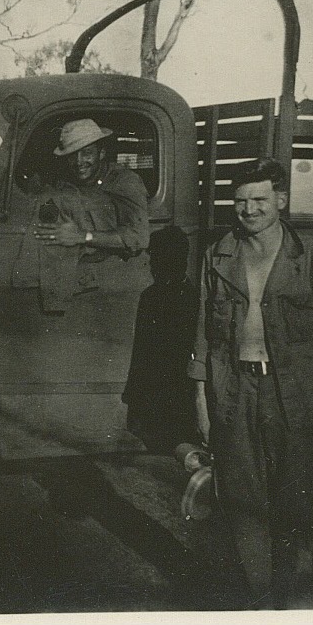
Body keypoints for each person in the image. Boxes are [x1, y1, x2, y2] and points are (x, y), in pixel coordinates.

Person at [188, 157, 313, 609]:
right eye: (241, 201)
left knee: (297, 501)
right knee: (242, 501)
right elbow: (203, 333)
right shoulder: (218, 254)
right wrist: (201, 402)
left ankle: (297, 601)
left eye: (259, 199)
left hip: (295, 396)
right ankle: (260, 604)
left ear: (281, 200)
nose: (249, 210)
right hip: (234, 393)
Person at [124, 225, 199, 454]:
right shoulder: (151, 297)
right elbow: (141, 351)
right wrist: (134, 398)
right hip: (155, 388)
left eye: (158, 258)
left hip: (179, 388)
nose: (153, 265)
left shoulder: (193, 298)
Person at [33, 118, 150, 259]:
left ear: (101, 153)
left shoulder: (125, 181)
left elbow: (138, 237)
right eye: (72, 155)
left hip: (115, 265)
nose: (79, 161)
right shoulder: (65, 180)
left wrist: (82, 236)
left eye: (87, 153)